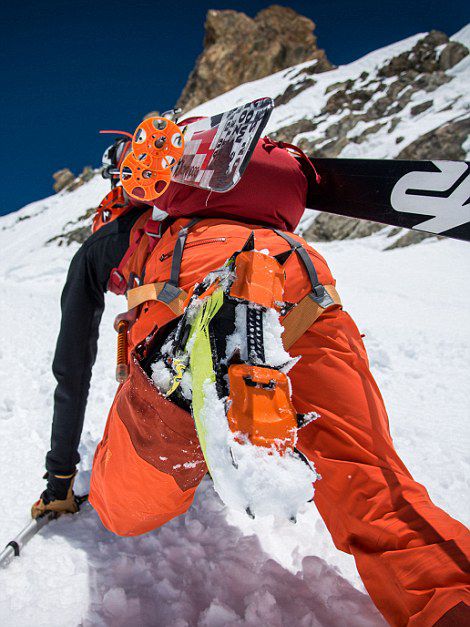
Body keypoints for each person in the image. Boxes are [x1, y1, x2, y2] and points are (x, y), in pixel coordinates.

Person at [32, 132, 469, 626]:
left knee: (123, 503)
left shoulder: (113, 236)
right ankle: (453, 601)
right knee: (372, 486)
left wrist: (60, 481)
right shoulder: (251, 205)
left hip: (188, 275)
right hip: (301, 276)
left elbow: (72, 369)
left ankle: (178, 373)